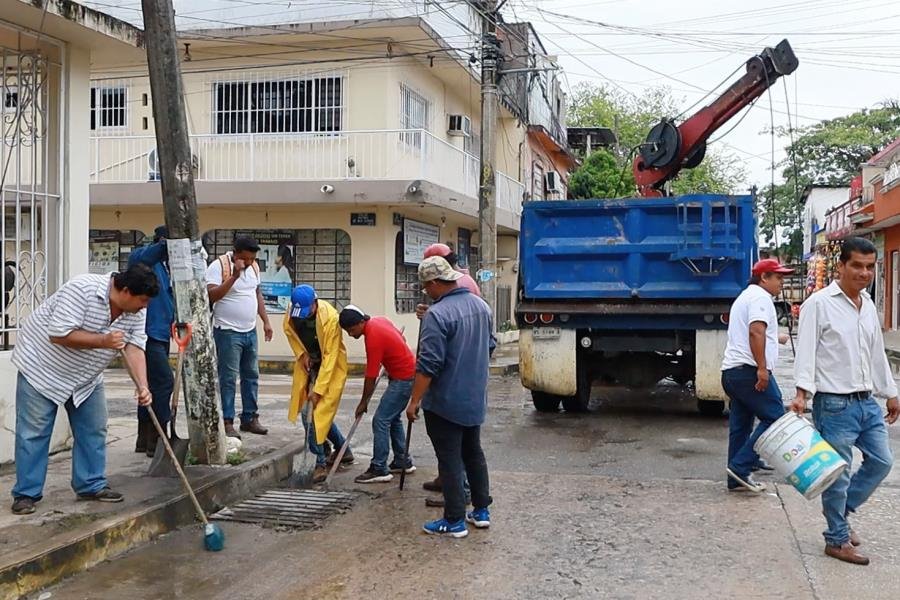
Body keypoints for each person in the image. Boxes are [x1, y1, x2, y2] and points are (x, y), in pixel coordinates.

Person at [10, 264, 159, 515]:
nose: (144, 306)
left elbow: (134, 346)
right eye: (142, 300)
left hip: (86, 377)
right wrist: (103, 340)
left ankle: (90, 484)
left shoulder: (135, 310)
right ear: (123, 290)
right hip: (41, 368)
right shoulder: (82, 289)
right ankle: (26, 493)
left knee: (94, 428)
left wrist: (142, 386)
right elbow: (59, 334)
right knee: (33, 433)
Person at [791, 237, 899, 566]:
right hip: (834, 405)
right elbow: (806, 351)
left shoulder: (866, 304)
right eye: (857, 266)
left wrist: (890, 392)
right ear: (841, 266)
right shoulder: (819, 304)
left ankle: (841, 516)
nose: (864, 273)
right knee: (838, 474)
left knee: (882, 462)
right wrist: (801, 393)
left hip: (866, 402)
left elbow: (876, 353)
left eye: (870, 267)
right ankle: (837, 538)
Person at [406, 256, 494, 538]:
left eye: (426, 287)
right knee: (473, 454)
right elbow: (490, 345)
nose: (426, 293)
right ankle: (481, 511)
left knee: (450, 459)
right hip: (474, 396)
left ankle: (454, 519)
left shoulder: (437, 315)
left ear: (434, 283)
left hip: (445, 402)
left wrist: (414, 401)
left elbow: (428, 364)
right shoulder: (481, 307)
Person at [721, 258, 792, 493]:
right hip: (749, 371)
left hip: (734, 372)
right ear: (764, 278)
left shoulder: (746, 296)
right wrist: (762, 368)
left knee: (741, 425)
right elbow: (756, 331)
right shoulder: (761, 297)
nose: (782, 283)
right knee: (776, 418)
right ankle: (741, 466)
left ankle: (736, 477)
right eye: (778, 278)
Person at [416, 242, 481, 499]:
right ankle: (456, 487)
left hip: (453, 379)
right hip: (468, 377)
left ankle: (458, 497)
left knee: (454, 448)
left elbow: (434, 358)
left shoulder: (460, 288)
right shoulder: (461, 287)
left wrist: (415, 399)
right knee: (464, 448)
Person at [339, 305, 416, 483]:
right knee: (392, 418)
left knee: (380, 420)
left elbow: (370, 376)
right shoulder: (379, 320)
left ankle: (379, 468)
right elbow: (400, 337)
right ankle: (402, 461)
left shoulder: (373, 337)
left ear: (360, 322)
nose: (351, 334)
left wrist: (363, 402)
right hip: (404, 374)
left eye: (351, 330)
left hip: (404, 378)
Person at [284, 285, 352, 483]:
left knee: (312, 414)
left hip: (331, 369)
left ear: (315, 303)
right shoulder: (293, 312)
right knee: (316, 415)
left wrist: (319, 389)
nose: (302, 317)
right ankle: (344, 449)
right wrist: (302, 354)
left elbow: (330, 357)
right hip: (310, 364)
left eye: (307, 312)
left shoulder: (330, 318)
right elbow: (289, 331)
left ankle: (319, 462)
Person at [206, 236, 273, 438]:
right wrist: (234, 276)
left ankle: (250, 418)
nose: (250, 262)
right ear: (236, 254)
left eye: (253, 258)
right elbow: (211, 296)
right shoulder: (219, 266)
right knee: (228, 378)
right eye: (246, 258)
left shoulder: (254, 269)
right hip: (227, 331)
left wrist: (266, 321)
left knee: (251, 375)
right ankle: (227, 421)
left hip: (249, 330)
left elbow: (257, 294)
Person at [128, 225, 175, 457]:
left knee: (150, 384)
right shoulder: (144, 259)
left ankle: (145, 438)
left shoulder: (169, 268)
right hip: (147, 333)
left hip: (162, 332)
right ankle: (158, 434)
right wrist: (166, 244)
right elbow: (144, 256)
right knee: (165, 382)